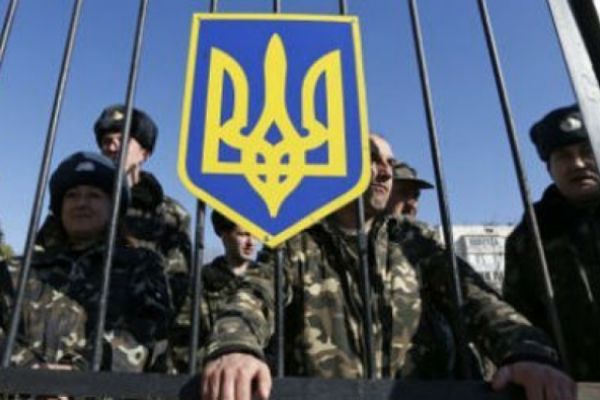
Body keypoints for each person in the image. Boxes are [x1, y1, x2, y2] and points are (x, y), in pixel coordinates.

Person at [200, 134, 575, 400]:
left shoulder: (414, 242)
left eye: (390, 164)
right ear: (338, 164)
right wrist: (235, 347)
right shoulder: (298, 241)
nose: (385, 172)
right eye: (372, 159)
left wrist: (527, 352)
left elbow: (477, 299)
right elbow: (252, 297)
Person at [19, 151, 173, 371]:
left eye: (94, 195)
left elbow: (149, 332)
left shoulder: (141, 265)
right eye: (72, 195)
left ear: (114, 208)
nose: (81, 203)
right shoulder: (19, 270)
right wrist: (31, 372)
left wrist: (79, 372)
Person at [37, 104, 192, 313]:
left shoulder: (170, 214)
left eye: (122, 140)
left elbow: (179, 286)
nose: (112, 147)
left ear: (144, 154)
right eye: (106, 142)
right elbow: (39, 263)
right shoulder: (76, 203)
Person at [503, 104, 600, 381]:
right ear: (550, 169)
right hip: (574, 389)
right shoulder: (529, 238)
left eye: (587, 151)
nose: (578, 164)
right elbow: (519, 318)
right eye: (564, 156)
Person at [170, 211, 258, 372]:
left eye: (255, 235)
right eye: (243, 234)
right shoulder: (201, 283)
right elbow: (183, 341)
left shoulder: (266, 281)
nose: (251, 242)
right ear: (224, 235)